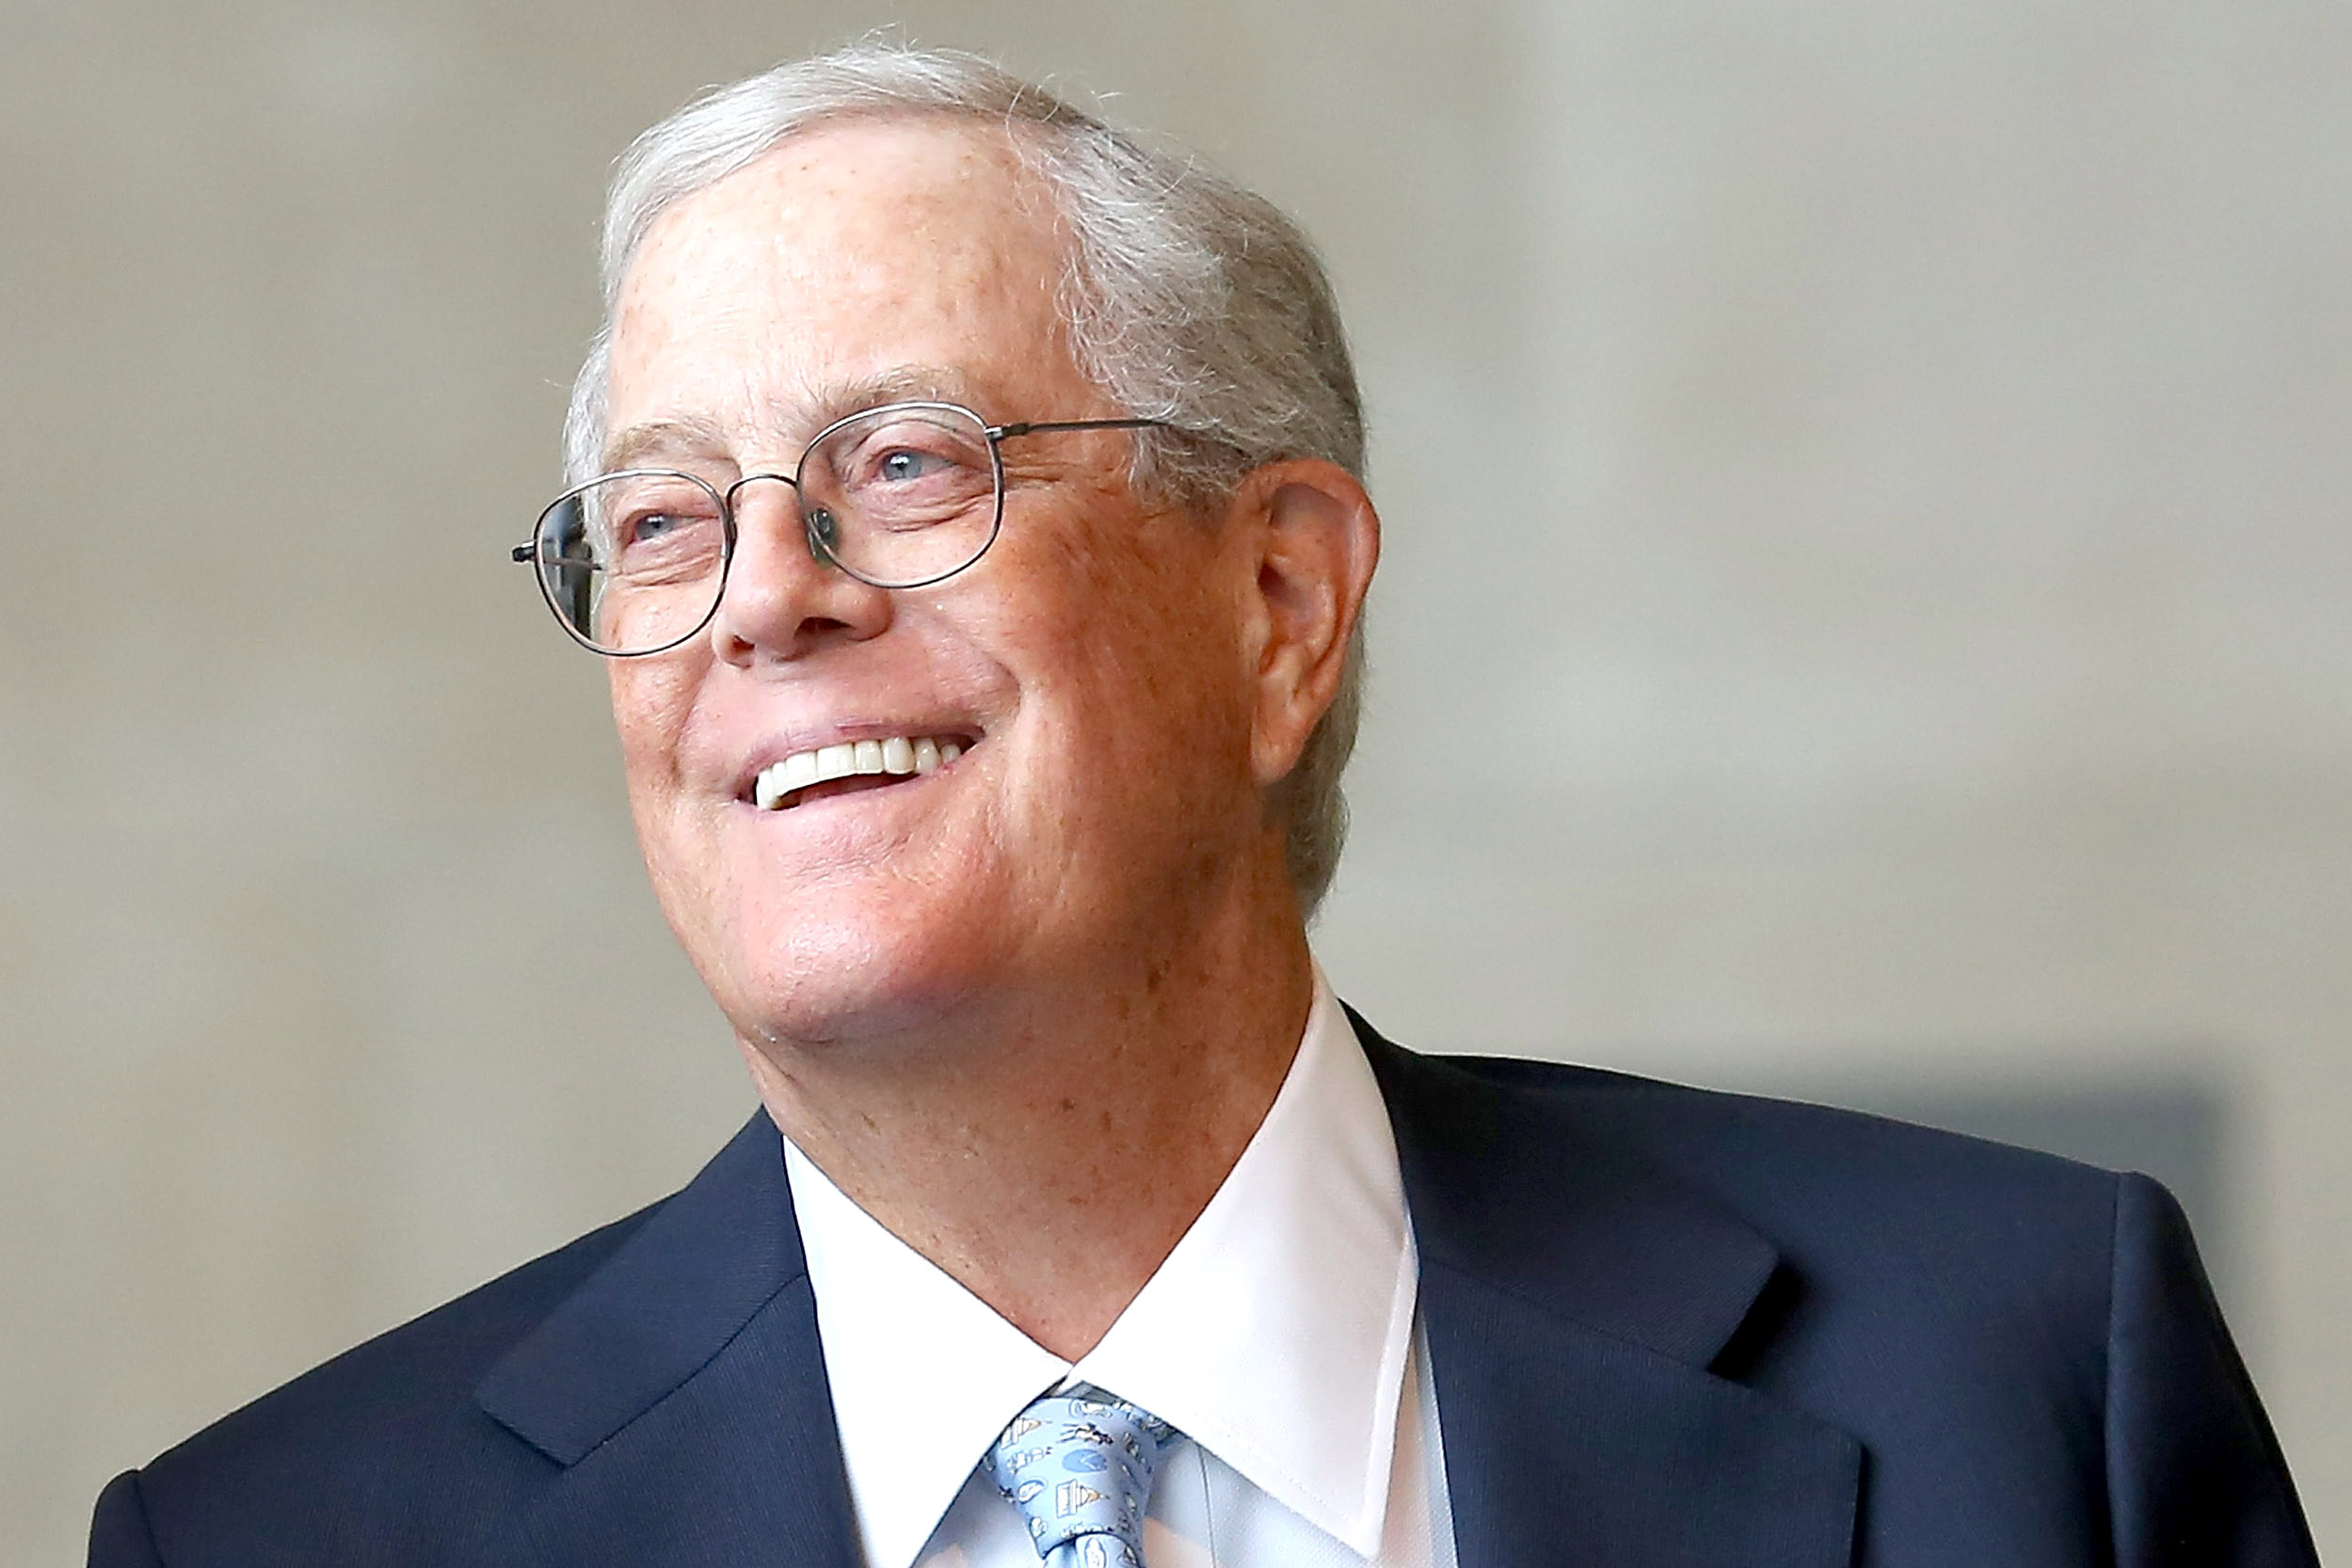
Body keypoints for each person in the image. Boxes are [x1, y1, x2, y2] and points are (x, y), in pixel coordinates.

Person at [88, 42, 2315, 1568]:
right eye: (660, 520)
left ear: (1274, 600)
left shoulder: (2017, 1384)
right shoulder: (286, 1533)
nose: (765, 595)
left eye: (902, 465)